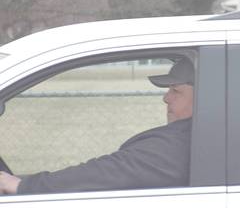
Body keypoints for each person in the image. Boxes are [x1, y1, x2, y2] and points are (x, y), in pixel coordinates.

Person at [0, 57, 195, 195]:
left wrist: (24, 186)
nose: (166, 98)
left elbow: (111, 170)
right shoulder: (199, 135)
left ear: (204, 97)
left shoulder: (180, 143)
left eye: (175, 91)